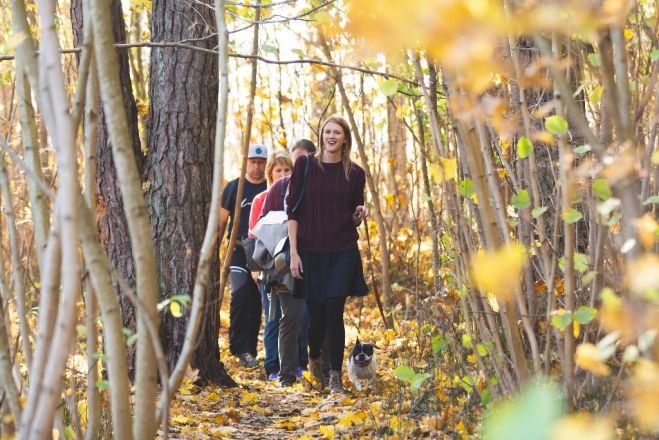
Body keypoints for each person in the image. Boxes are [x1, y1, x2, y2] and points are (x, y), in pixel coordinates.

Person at [286, 117, 369, 394]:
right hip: (310, 251)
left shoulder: (355, 173)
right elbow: (293, 211)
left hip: (343, 250)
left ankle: (335, 379)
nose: (332, 136)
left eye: (338, 132)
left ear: (345, 138)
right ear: (322, 135)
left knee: (335, 310)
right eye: (328, 132)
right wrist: (294, 253)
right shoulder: (305, 165)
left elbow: (354, 214)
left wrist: (359, 215)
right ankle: (315, 360)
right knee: (317, 318)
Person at [257, 140, 317, 386]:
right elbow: (262, 223)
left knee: (313, 315)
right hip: (282, 264)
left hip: (315, 258)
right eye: (297, 160)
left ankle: (317, 368)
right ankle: (286, 374)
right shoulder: (279, 188)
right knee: (289, 317)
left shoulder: (320, 186)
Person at [219, 144, 268, 369]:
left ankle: (249, 350)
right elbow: (221, 222)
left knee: (257, 300)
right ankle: (238, 346)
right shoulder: (234, 188)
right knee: (241, 294)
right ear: (245, 162)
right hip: (238, 250)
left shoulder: (270, 187)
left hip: (263, 251)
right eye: (252, 161)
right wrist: (214, 253)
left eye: (260, 162)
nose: (256, 166)